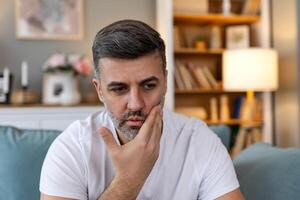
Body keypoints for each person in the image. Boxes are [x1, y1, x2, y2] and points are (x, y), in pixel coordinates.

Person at [40, 19, 244, 200]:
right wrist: (129, 181)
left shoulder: (200, 141)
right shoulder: (71, 148)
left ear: (165, 82)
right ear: (99, 90)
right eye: (119, 89)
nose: (136, 104)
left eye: (148, 86)